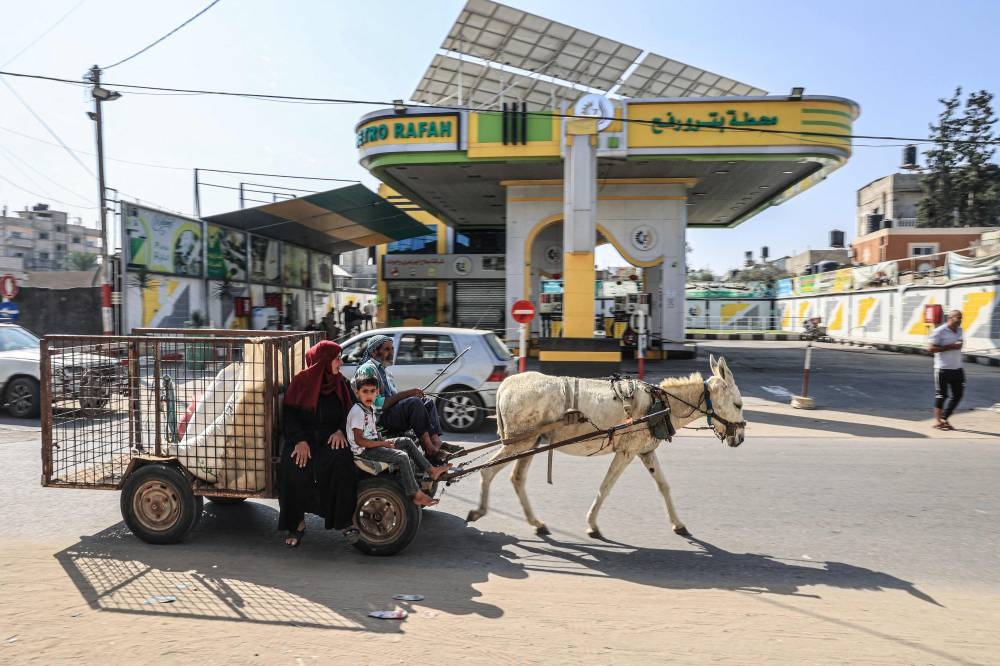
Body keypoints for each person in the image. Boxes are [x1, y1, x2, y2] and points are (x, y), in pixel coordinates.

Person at [278, 340, 359, 547]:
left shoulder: (340, 383)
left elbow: (352, 411)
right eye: (337, 358)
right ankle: (296, 523)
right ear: (323, 361)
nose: (340, 363)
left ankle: (343, 520)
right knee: (293, 465)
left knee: (342, 461)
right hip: (303, 437)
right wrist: (299, 440)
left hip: (331, 436)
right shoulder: (301, 382)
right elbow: (290, 416)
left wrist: (341, 430)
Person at [347, 375, 451, 507]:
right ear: (357, 393)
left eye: (372, 391)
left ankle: (431, 470)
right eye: (365, 391)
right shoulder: (357, 412)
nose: (369, 395)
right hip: (365, 451)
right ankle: (416, 494)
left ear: (377, 393)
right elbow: (360, 440)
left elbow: (373, 431)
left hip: (374, 445)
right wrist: (383, 444)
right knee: (402, 457)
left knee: (406, 441)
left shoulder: (369, 408)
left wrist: (384, 441)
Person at [354, 335, 448, 457]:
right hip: (379, 418)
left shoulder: (385, 371)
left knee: (427, 402)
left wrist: (411, 394)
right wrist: (408, 394)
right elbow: (378, 404)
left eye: (392, 349)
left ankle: (436, 443)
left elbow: (394, 398)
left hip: (390, 413)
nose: (392, 352)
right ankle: (429, 449)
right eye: (387, 349)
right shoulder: (368, 370)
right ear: (373, 352)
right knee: (414, 403)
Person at [928, 310, 965, 431]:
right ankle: (938, 421)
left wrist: (960, 343)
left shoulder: (960, 330)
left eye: (961, 318)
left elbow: (960, 341)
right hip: (942, 369)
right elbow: (930, 348)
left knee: (958, 395)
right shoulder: (939, 331)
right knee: (942, 395)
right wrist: (950, 347)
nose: (960, 320)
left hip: (957, 368)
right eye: (957, 317)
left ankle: (944, 418)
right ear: (950, 318)